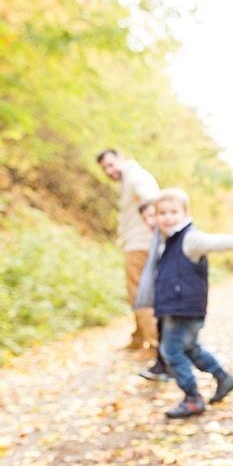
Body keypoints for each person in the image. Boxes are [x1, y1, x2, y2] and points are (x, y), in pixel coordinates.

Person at [151, 188, 233, 419]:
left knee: (170, 350)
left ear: (185, 213)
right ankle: (223, 377)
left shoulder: (189, 238)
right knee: (190, 348)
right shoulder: (166, 240)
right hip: (178, 306)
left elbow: (212, 241)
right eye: (162, 212)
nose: (167, 217)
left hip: (184, 307)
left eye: (174, 212)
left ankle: (192, 398)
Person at [97, 149, 160, 355]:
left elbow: (151, 199)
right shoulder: (128, 180)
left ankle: (156, 345)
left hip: (141, 243)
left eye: (111, 164)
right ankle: (140, 337)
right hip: (138, 243)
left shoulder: (136, 176)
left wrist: (153, 224)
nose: (109, 170)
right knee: (138, 293)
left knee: (140, 295)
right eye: (105, 167)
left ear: (121, 159)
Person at [134, 199, 170, 382]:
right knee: (162, 328)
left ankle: (168, 368)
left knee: (169, 332)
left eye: (151, 216)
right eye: (145, 218)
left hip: (167, 293)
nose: (149, 221)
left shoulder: (166, 235)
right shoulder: (156, 236)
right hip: (159, 293)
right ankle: (161, 365)